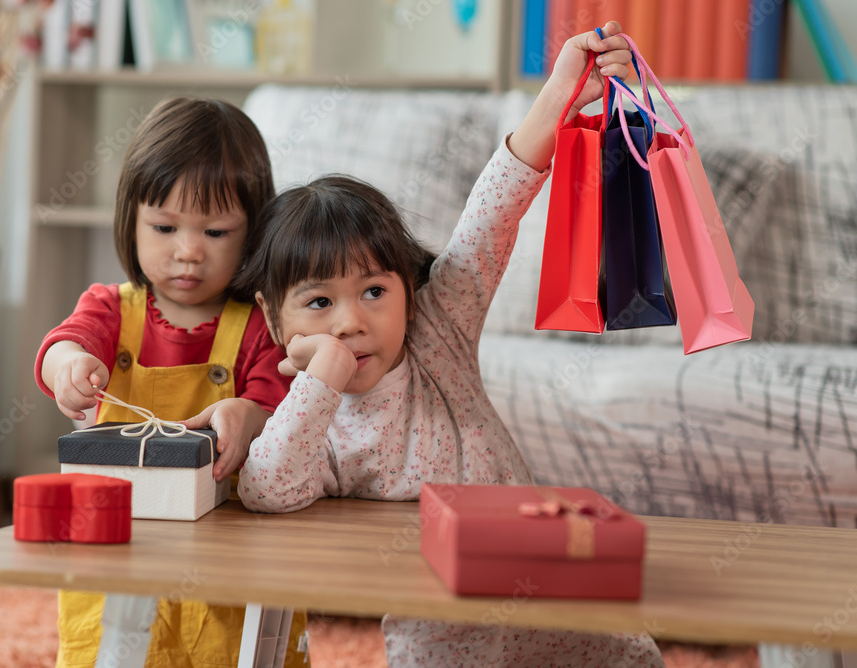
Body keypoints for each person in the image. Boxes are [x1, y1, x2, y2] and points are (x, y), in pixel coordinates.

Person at [235, 22, 665, 666]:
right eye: (321, 303)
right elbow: (266, 489)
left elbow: (497, 208)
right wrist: (318, 378)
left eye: (374, 292)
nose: (351, 323)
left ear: (407, 288)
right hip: (445, 640)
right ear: (274, 320)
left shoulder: (438, 331)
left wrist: (562, 91)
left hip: (570, 616)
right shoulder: (315, 423)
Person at [34, 97, 307, 668]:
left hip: (220, 551)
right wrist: (67, 368)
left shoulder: (260, 324)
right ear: (130, 221)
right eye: (164, 227)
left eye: (215, 231)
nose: (187, 251)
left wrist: (248, 416)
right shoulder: (111, 308)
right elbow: (67, 341)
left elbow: (280, 403)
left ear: (253, 233)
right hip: (120, 542)